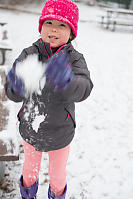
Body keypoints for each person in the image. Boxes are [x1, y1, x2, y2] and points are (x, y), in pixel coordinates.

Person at [5, 0, 93, 198]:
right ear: (41, 27)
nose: (54, 29)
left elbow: (85, 87)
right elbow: (11, 92)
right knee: (29, 171)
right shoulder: (30, 54)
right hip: (31, 129)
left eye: (62, 24)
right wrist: (17, 86)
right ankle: (28, 195)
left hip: (61, 131)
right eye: (49, 23)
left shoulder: (75, 59)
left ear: (71, 32)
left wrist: (67, 83)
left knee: (57, 176)